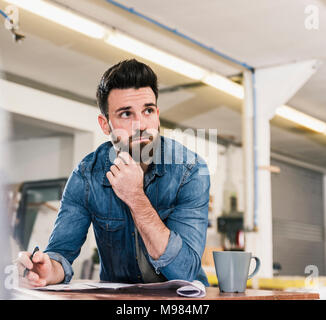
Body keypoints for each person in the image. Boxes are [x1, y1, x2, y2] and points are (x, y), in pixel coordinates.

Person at [15, 59, 211, 287]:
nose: (140, 124)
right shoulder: (86, 175)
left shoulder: (191, 171)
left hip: (184, 302)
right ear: (105, 124)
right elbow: (61, 254)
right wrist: (47, 270)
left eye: (148, 111)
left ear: (157, 114)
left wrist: (135, 197)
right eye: (126, 114)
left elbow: (185, 270)